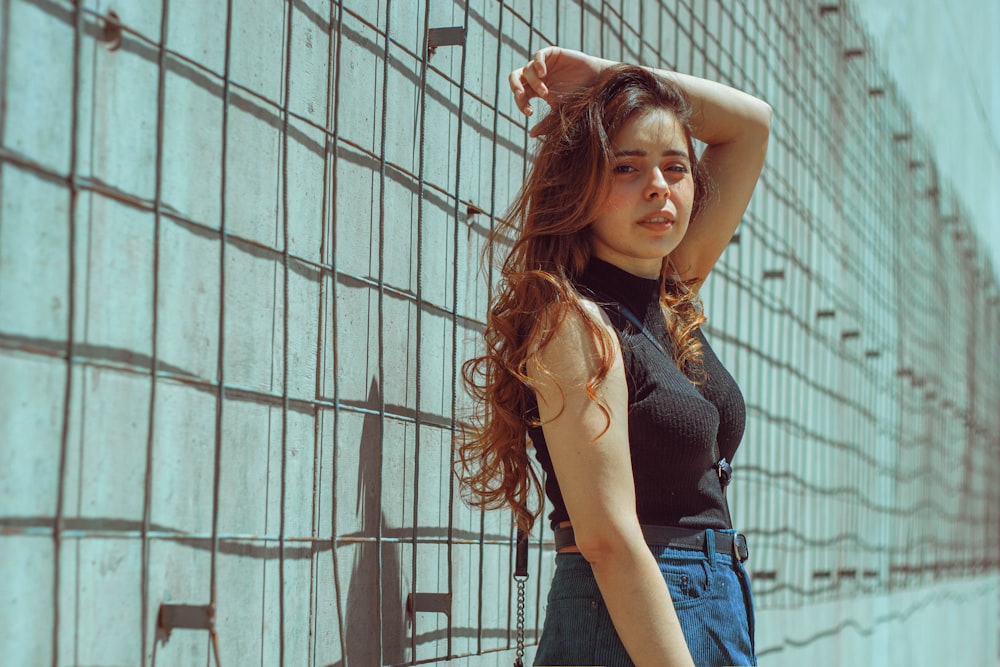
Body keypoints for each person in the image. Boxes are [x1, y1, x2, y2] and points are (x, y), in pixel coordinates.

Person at [457, 46, 771, 667]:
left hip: (709, 606)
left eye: (675, 167)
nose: (658, 185)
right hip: (628, 617)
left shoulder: (670, 293)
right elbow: (607, 537)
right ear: (580, 184)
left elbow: (751, 124)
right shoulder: (572, 320)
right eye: (627, 167)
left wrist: (613, 80)